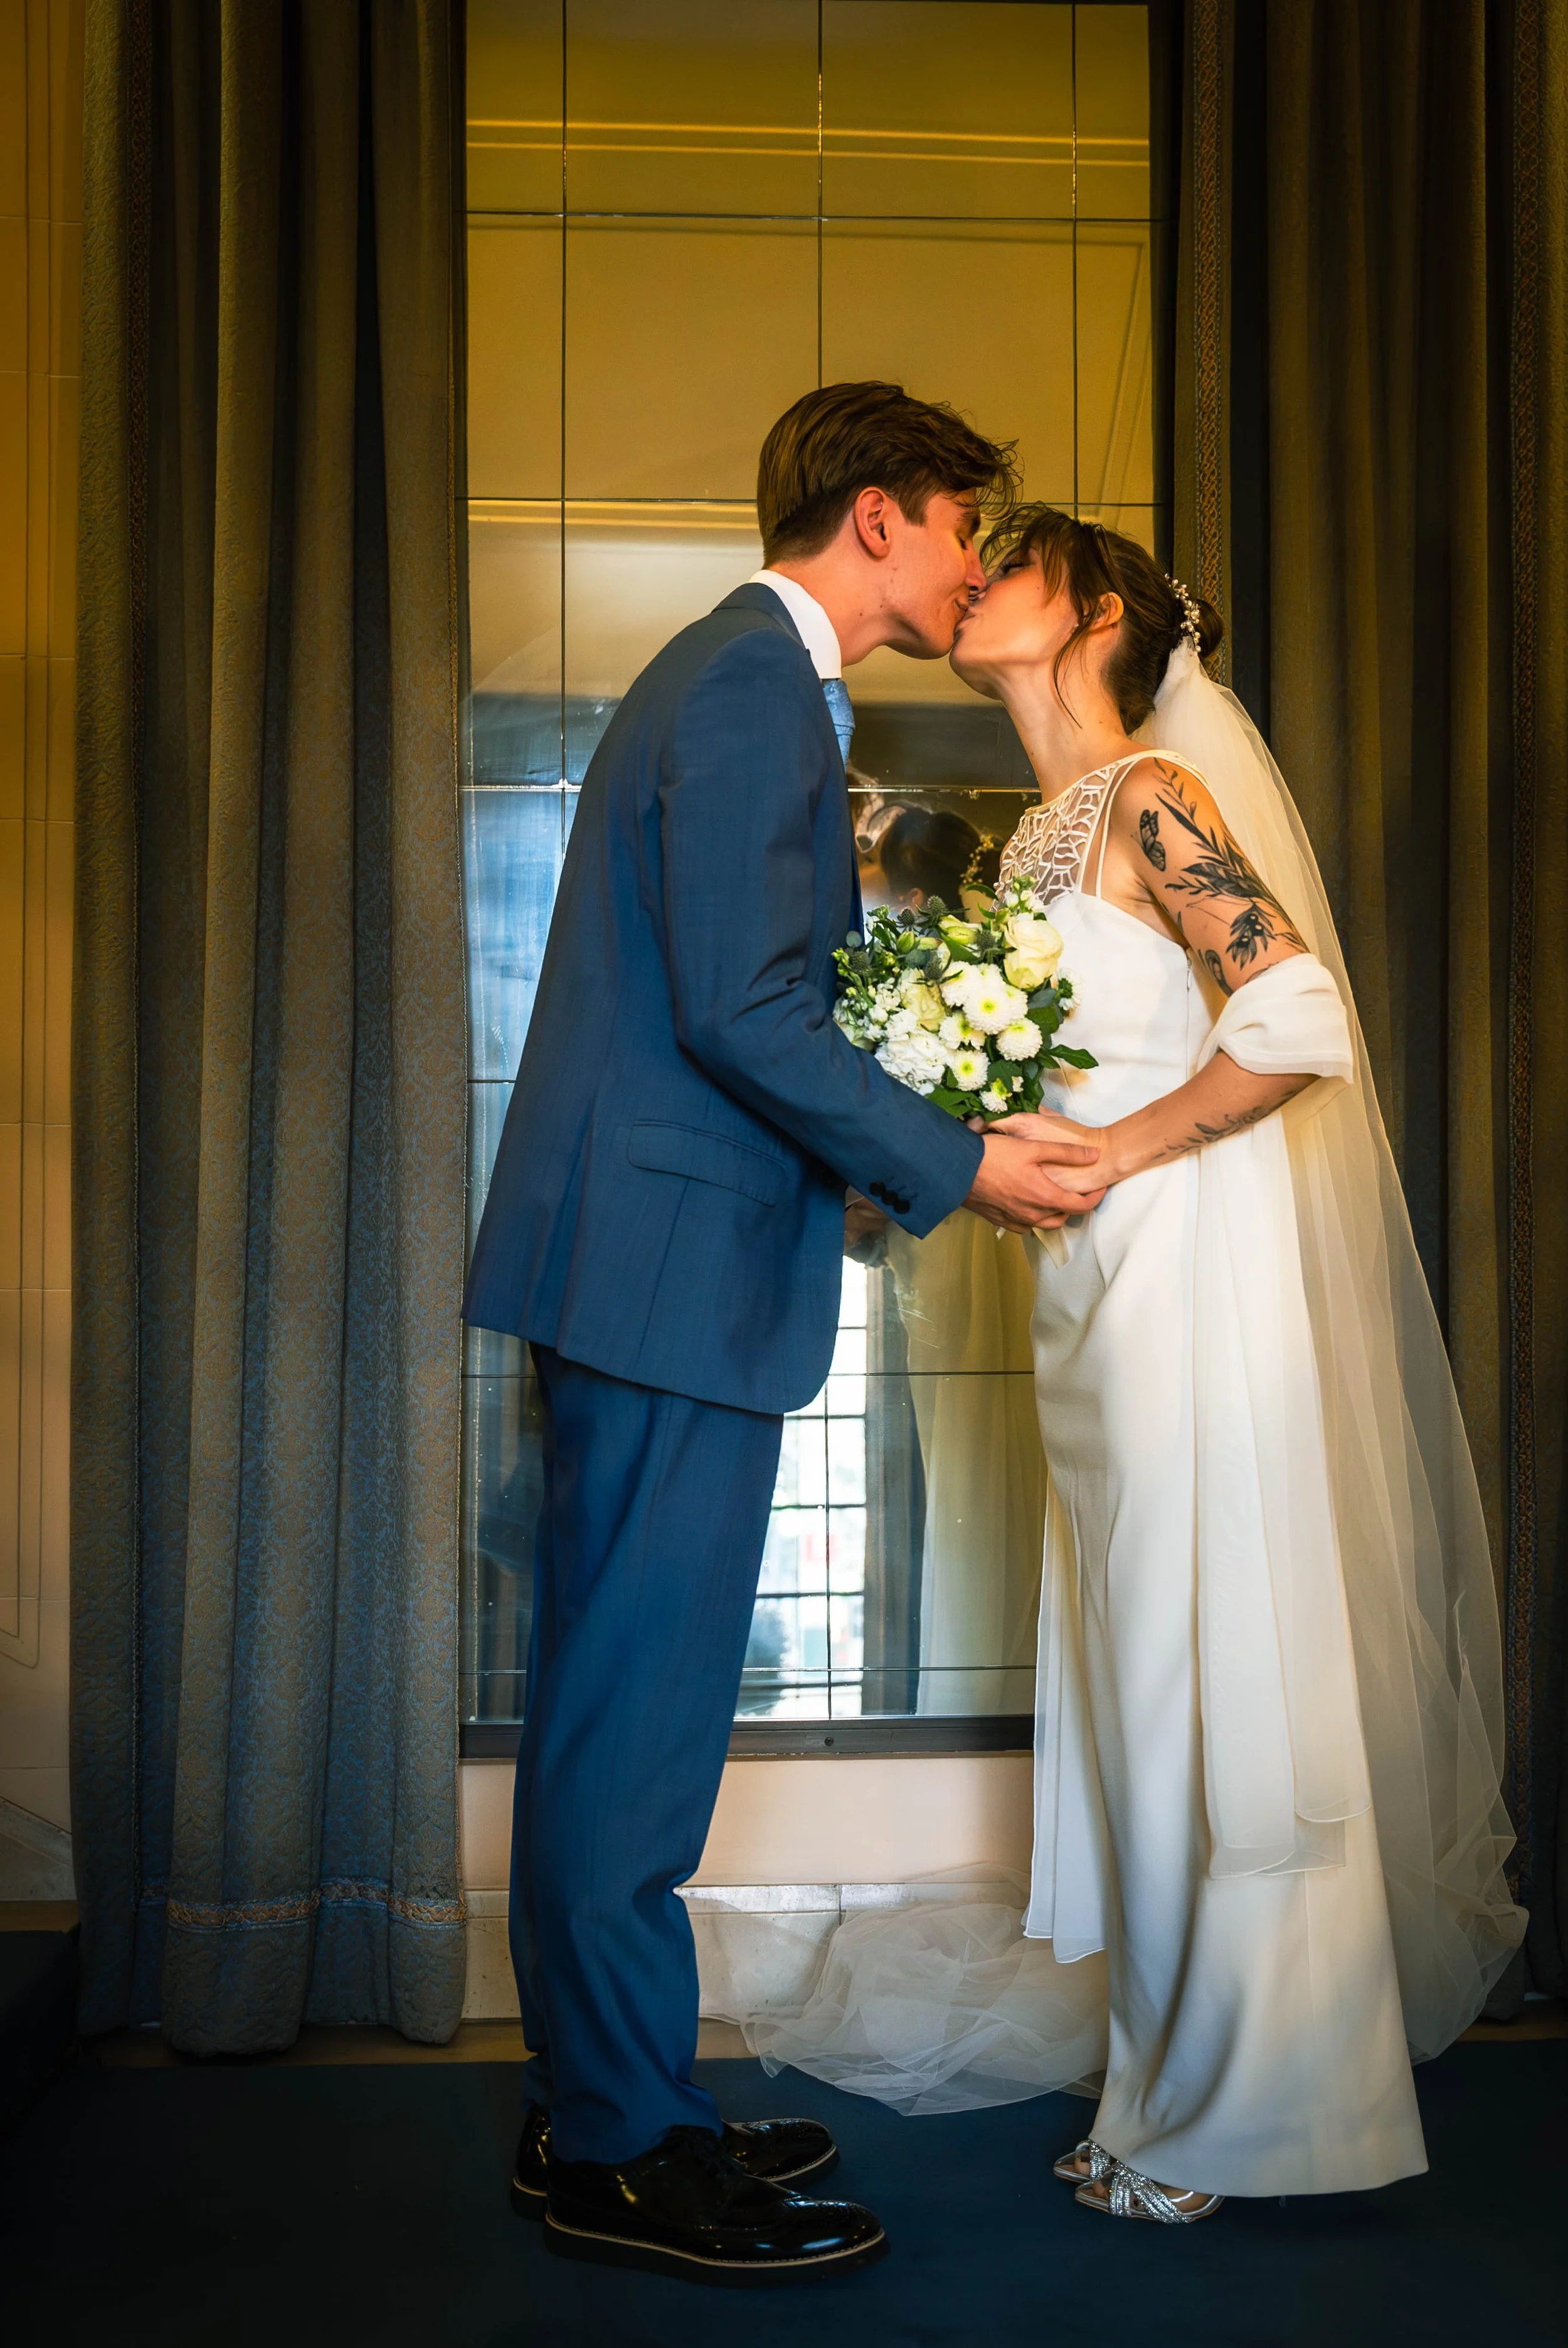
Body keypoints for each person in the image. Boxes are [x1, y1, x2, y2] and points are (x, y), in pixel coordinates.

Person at [755, 508, 1524, 2221]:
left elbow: (1296, 1016)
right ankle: (1165, 2072)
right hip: (1089, 1298)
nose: (977, 580)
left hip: (1188, 1278)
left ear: (1089, 610)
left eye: (1011, 561)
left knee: (1208, 1666)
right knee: (1132, 1672)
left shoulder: (1158, 797)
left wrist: (1122, 1149)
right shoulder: (1036, 833)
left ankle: (1261, 2105)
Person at [461, 387, 1105, 2285]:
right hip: (659, 1280)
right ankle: (619, 2145)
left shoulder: (733, 674)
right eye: (962, 526)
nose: (976, 561)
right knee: (634, 1729)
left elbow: (721, 1006)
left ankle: (601, 2093)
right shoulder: (754, 682)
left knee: (616, 1710)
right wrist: (956, 1160)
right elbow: (750, 1012)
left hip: (644, 1266)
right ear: (883, 517)